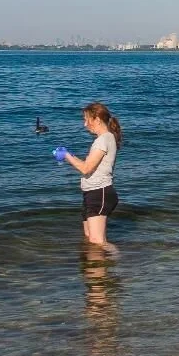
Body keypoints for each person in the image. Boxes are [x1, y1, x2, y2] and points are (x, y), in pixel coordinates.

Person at [60, 102, 122, 249]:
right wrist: (71, 157)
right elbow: (89, 166)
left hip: (99, 192)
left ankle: (120, 263)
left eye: (87, 119)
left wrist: (66, 155)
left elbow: (86, 169)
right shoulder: (105, 139)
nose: (85, 124)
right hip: (91, 193)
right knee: (90, 238)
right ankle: (97, 269)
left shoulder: (103, 140)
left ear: (97, 120)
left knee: (97, 241)